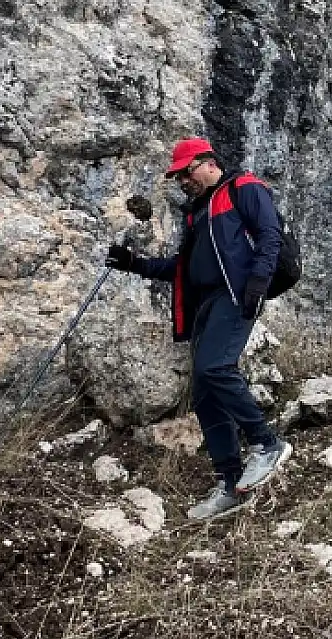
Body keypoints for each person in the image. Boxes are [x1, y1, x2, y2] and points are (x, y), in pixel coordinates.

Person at [107, 137, 292, 521]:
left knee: (215, 368)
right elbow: (181, 268)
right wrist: (133, 264)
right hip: (205, 304)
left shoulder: (244, 189)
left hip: (235, 294)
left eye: (186, 172)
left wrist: (257, 285)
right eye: (177, 177)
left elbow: (270, 234)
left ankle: (266, 443)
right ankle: (229, 483)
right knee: (205, 393)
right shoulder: (197, 212)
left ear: (208, 163)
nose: (182, 181)